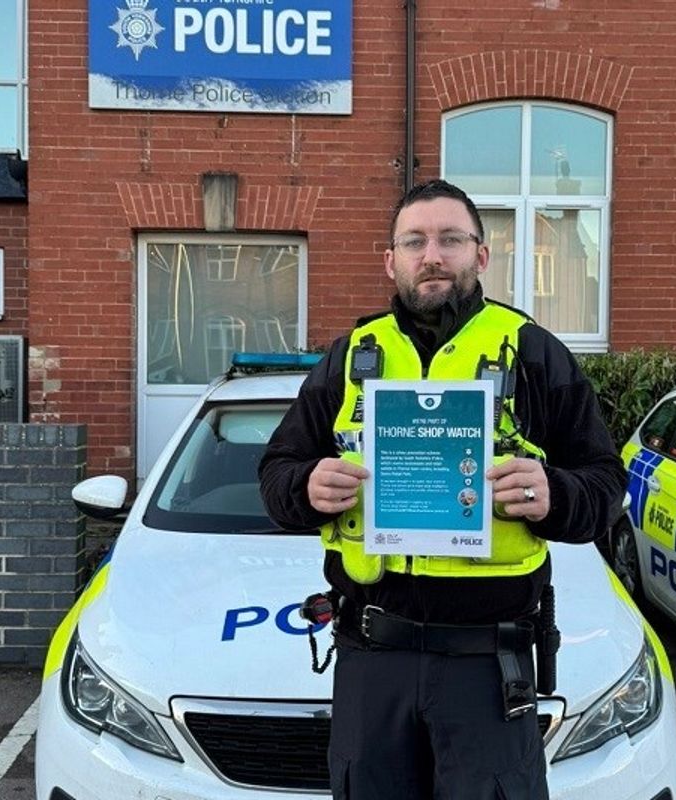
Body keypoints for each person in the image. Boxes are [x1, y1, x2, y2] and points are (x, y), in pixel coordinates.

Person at [258, 179, 627, 800]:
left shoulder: (533, 353)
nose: (432, 255)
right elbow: (276, 472)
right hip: (373, 654)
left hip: (488, 664)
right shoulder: (351, 356)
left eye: (450, 239)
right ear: (391, 260)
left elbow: (606, 483)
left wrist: (555, 494)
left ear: (481, 255)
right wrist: (306, 485)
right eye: (415, 241)